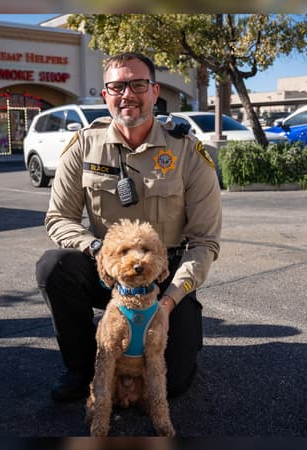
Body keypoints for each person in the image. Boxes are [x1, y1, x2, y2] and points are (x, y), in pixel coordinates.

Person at [36, 52, 222, 402]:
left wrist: (167, 304)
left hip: (166, 275)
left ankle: (173, 332)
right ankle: (81, 366)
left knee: (176, 384)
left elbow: (204, 241)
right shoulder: (84, 146)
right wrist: (98, 251)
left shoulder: (187, 152)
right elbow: (58, 218)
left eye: (138, 84)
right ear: (105, 95)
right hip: (106, 268)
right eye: (117, 86)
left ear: (154, 91)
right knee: (54, 266)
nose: (128, 94)